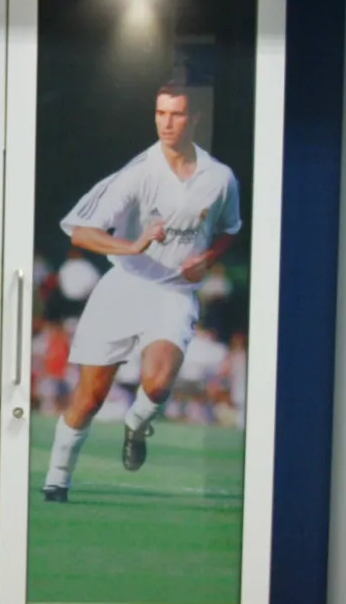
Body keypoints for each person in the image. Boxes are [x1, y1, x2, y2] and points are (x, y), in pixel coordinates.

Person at [42, 81, 241, 502]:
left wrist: (209, 257)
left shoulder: (220, 178)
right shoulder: (137, 173)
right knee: (90, 397)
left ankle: (136, 423)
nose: (167, 123)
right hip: (124, 286)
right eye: (161, 113)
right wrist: (131, 245)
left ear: (194, 119)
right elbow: (81, 232)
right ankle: (57, 480)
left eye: (177, 114)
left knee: (159, 381)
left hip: (173, 292)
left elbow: (229, 230)